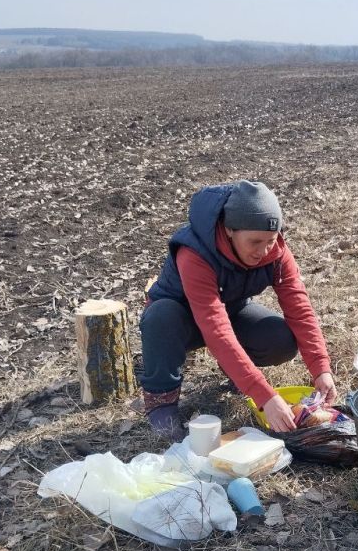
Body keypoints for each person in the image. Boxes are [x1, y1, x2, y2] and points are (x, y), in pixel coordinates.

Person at [139, 181, 336, 440]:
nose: (263, 251)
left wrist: (321, 368)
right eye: (254, 242)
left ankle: (235, 370)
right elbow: (214, 327)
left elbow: (300, 309)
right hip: (181, 319)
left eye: (270, 240)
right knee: (160, 316)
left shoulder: (276, 254)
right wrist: (264, 395)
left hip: (231, 311)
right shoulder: (194, 253)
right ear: (229, 230)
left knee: (280, 339)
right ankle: (161, 403)